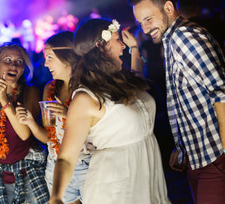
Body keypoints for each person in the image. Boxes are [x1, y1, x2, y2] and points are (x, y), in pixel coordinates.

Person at [128, 0, 225, 204]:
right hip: (199, 158)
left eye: (148, 19)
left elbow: (223, 93)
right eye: (141, 22)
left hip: (217, 158)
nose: (145, 29)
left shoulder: (184, 37)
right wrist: (182, 146)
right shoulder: (171, 39)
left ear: (168, 8)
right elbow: (187, 99)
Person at [49, 19, 170, 204]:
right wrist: (56, 198)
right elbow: (65, 158)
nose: (122, 45)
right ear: (101, 46)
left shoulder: (122, 80)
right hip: (114, 190)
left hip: (147, 179)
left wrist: (135, 49)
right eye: (117, 40)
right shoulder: (86, 98)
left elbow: (138, 86)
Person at [16, 31, 90, 204]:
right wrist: (30, 122)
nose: (45, 63)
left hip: (88, 164)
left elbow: (101, 130)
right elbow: (49, 137)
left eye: (50, 57)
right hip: (56, 165)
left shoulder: (90, 86)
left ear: (67, 56)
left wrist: (67, 114)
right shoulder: (49, 89)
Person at [0, 43, 49, 203]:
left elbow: (24, 134)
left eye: (19, 62)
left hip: (29, 172)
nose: (14, 65)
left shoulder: (31, 92)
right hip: (2, 175)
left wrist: (4, 100)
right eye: (8, 60)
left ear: (23, 69)